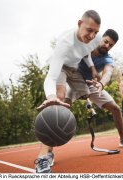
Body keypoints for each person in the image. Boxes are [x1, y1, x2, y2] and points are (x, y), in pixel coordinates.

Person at [35, 10, 102, 173]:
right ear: (79, 24)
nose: (92, 35)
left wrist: (92, 68)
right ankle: (44, 156)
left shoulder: (96, 39)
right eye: (89, 30)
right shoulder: (65, 43)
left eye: (95, 32)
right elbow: (51, 77)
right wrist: (51, 97)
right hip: (62, 68)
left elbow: (86, 53)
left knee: (88, 93)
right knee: (59, 97)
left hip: (75, 69)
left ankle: (65, 114)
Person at [66, 29, 123, 149]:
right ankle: (47, 153)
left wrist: (101, 84)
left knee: (115, 108)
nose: (107, 46)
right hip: (72, 80)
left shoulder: (107, 58)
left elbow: (108, 72)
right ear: (100, 38)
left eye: (111, 45)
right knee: (61, 106)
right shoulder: (87, 44)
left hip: (91, 84)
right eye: (106, 41)